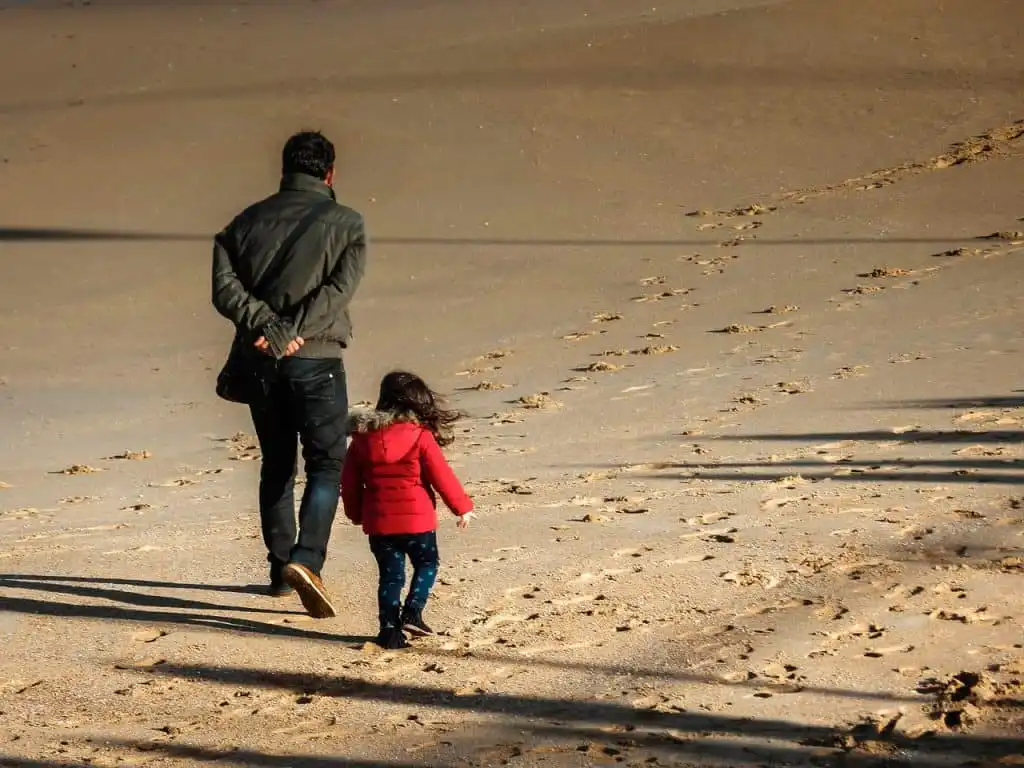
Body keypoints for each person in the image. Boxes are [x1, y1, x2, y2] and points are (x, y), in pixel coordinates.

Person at [211, 130, 367, 619]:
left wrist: (265, 327)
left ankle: (281, 569)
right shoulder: (348, 224)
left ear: (284, 169)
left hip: (262, 361)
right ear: (330, 173)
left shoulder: (244, 223)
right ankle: (307, 561)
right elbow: (339, 290)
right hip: (317, 361)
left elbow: (223, 286)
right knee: (326, 465)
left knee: (277, 465)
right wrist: (294, 331)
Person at [341, 371, 475, 649]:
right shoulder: (420, 436)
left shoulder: (361, 440)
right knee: (426, 564)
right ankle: (413, 611)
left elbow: (350, 483)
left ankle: (389, 630)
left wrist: (355, 513)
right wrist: (462, 508)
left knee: (390, 576)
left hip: (380, 524)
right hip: (418, 522)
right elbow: (442, 476)